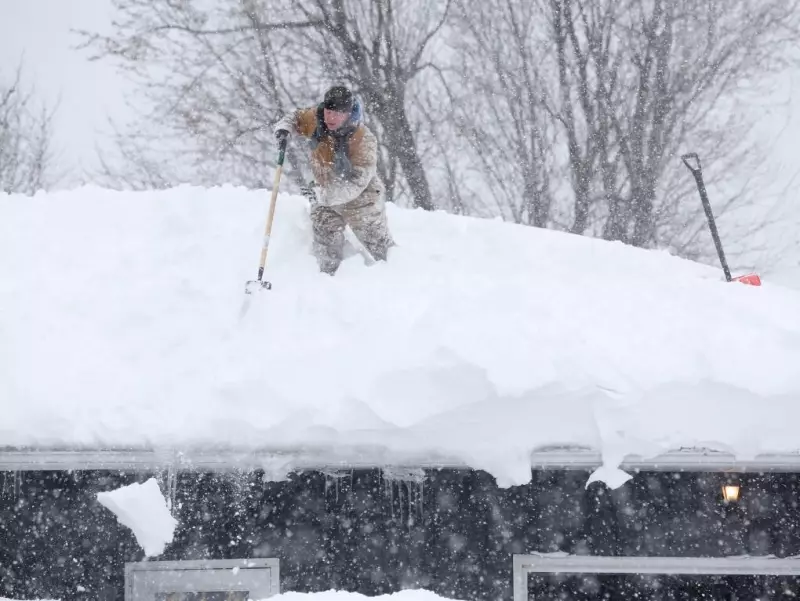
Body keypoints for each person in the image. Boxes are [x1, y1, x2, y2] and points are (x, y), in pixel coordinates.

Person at [273, 85, 394, 275]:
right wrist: (284, 129)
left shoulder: (364, 140)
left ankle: (401, 278)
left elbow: (356, 183)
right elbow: (295, 118)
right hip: (325, 193)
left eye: (337, 113)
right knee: (325, 240)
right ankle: (328, 281)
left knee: (379, 247)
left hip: (361, 200)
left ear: (348, 113)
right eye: (329, 111)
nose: (330, 118)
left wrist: (322, 195)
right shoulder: (316, 119)